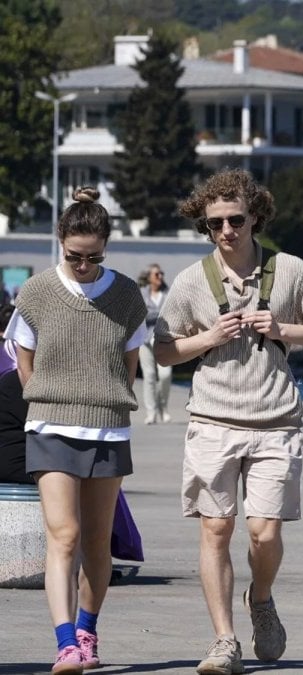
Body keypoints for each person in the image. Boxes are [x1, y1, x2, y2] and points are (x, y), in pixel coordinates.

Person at [153, 168, 303, 673]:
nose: (226, 231)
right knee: (216, 528)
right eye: (214, 224)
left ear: (255, 215)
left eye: (235, 219)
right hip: (213, 419)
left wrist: (285, 328)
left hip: (276, 420)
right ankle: (223, 640)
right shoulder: (193, 280)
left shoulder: (291, 271)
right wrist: (209, 338)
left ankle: (260, 597)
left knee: (264, 533)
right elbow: (165, 351)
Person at [5, 187, 147, 673]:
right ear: (59, 240)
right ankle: (65, 643)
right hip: (50, 425)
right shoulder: (38, 291)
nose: (83, 264)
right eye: (74, 256)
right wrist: (42, 397)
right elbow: (23, 357)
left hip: (107, 429)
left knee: (97, 545)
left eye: (93, 257)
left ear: (105, 248)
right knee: (62, 536)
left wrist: (103, 397)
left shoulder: (127, 295)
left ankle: (88, 629)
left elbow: (130, 364)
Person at [138, 264, 173, 424]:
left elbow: (173, 312)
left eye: (161, 273)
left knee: (165, 375)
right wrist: (160, 314)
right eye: (157, 274)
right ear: (149, 277)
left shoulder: (168, 293)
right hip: (145, 340)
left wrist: (153, 314)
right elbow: (140, 315)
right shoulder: (142, 294)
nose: (160, 277)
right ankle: (151, 412)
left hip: (164, 339)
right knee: (149, 376)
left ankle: (163, 407)